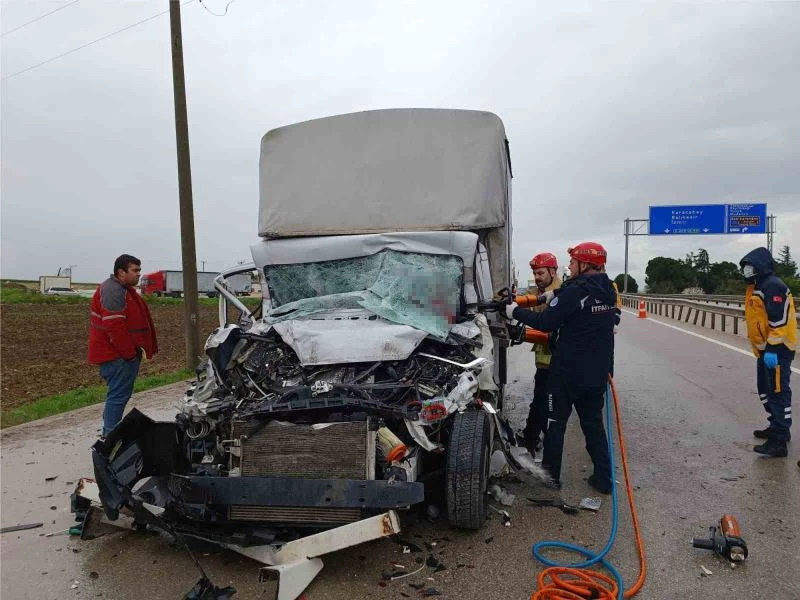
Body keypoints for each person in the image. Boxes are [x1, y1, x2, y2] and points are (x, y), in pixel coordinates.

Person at [506, 242, 616, 492]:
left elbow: (545, 322)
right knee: (594, 427)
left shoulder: (576, 293)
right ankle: (604, 479)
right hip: (596, 375)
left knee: (555, 425)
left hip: (566, 374)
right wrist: (552, 296)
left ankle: (551, 478)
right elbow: (575, 296)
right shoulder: (607, 288)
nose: (571, 266)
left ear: (585, 264)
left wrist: (514, 312)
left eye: (574, 263)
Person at [88, 254, 158, 437]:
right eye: (135, 270)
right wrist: (128, 354)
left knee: (118, 396)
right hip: (117, 356)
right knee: (118, 397)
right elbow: (114, 326)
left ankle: (109, 432)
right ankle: (110, 438)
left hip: (120, 355)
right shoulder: (113, 291)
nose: (139, 274)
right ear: (121, 272)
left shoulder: (123, 289)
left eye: (139, 270)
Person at [739, 247, 795, 457]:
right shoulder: (757, 286)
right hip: (765, 350)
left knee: (778, 391)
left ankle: (780, 438)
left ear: (760, 266)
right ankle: (775, 425)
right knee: (765, 389)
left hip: (778, 350)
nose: (746, 271)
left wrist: (772, 348)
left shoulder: (772, 286)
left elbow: (778, 321)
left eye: (750, 266)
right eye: (745, 267)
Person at [522, 253, 562, 454]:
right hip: (544, 360)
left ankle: (536, 442)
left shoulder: (561, 293)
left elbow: (545, 323)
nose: (537, 277)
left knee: (547, 403)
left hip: (558, 359)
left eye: (540, 273)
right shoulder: (537, 292)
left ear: (553, 272)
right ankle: (532, 438)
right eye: (534, 273)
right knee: (541, 401)